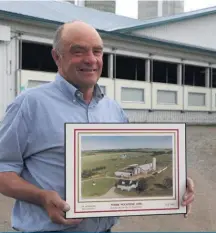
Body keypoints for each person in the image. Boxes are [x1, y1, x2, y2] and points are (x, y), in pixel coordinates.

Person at [0, 20, 195, 232]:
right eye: (78, 51)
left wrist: (173, 181)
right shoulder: (30, 104)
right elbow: (3, 170)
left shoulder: (113, 109)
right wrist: (41, 197)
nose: (91, 59)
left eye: (97, 51)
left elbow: (130, 163)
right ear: (57, 57)